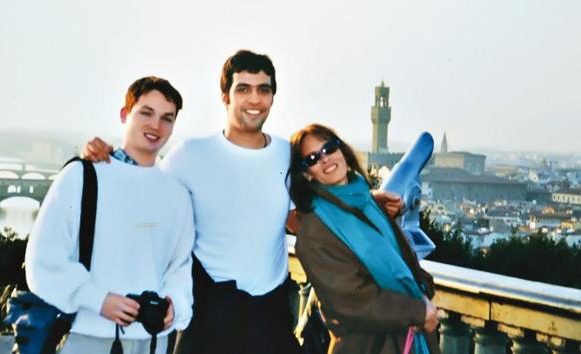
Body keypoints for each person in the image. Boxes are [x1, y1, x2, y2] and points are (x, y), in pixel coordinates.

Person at [82, 50, 403, 354]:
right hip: (209, 315)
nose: (254, 99)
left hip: (270, 316)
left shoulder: (285, 155)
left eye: (263, 89)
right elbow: (144, 194)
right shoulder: (191, 155)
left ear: (272, 98)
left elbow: (304, 211)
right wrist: (106, 160)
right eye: (243, 89)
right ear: (225, 96)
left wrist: (368, 201)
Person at [25, 76, 195, 354]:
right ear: (125, 114)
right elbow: (43, 259)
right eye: (146, 113)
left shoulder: (177, 195)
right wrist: (98, 299)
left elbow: (180, 266)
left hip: (153, 342)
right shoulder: (81, 177)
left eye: (167, 118)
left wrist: (175, 304)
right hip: (88, 336)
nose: (156, 126)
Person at [288, 123, 440, 354]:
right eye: (312, 159)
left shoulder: (368, 204)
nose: (325, 159)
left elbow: (403, 258)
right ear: (307, 174)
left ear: (342, 150)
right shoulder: (314, 229)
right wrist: (417, 311)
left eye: (329, 148)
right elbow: (350, 300)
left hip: (408, 339)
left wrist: (422, 288)